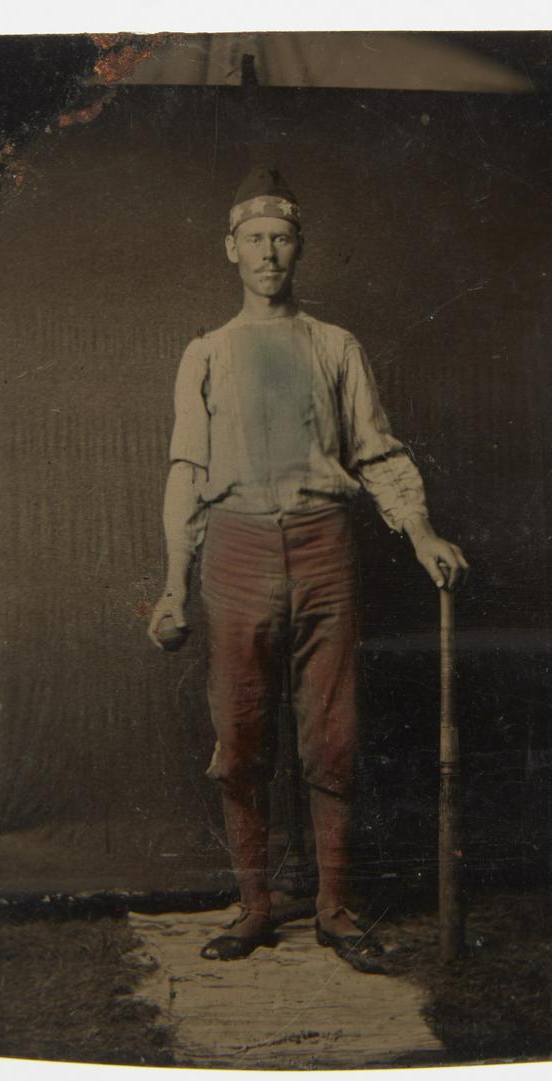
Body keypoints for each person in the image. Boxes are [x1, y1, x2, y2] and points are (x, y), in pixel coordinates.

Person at [148, 167, 468, 970]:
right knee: (242, 739)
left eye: (282, 239)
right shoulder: (207, 353)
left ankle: (334, 908)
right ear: (230, 250)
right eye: (253, 239)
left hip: (328, 548)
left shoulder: (337, 347)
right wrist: (171, 588)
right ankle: (254, 906)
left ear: (299, 250)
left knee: (333, 735)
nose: (268, 253)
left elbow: (379, 451)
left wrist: (421, 532)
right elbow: (187, 473)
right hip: (236, 551)